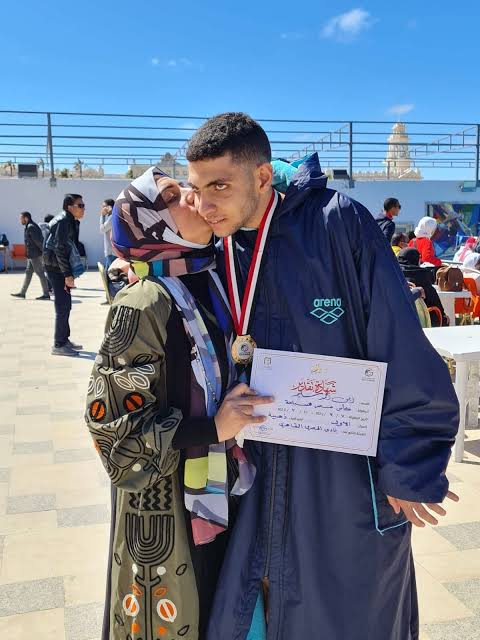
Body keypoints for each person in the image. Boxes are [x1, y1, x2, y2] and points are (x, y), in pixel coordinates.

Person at [186, 113, 459, 640]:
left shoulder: (337, 224)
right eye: (197, 189)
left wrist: (410, 463)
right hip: (251, 472)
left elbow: (399, 343)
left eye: (219, 186)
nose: (205, 205)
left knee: (347, 616)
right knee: (252, 611)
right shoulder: (214, 245)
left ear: (262, 177)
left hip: (341, 480)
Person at [84, 167, 272, 640]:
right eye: (170, 196)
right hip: (166, 504)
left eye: (183, 186)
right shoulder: (142, 303)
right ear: (152, 226)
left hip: (222, 485)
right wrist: (213, 429)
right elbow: (112, 429)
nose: (190, 195)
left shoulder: (212, 282)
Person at [43, 194, 85, 356]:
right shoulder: (63, 221)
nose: (83, 209)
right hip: (56, 269)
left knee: (66, 305)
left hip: (58, 267)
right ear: (70, 207)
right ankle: (59, 344)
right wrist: (67, 275)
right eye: (80, 205)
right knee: (62, 306)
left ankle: (64, 339)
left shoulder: (70, 221)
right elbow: (59, 249)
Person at [397, 247, 448, 326]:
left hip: (399, 320)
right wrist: (443, 316)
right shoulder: (421, 274)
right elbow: (433, 298)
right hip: (423, 321)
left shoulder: (395, 275)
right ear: (416, 259)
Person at [10, 211, 50, 300]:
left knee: (40, 273)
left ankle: (46, 294)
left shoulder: (31, 227)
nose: (20, 220)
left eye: (21, 218)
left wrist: (44, 252)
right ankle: (22, 293)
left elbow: (38, 242)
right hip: (31, 255)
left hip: (35, 255)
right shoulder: (30, 226)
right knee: (28, 273)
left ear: (26, 218)